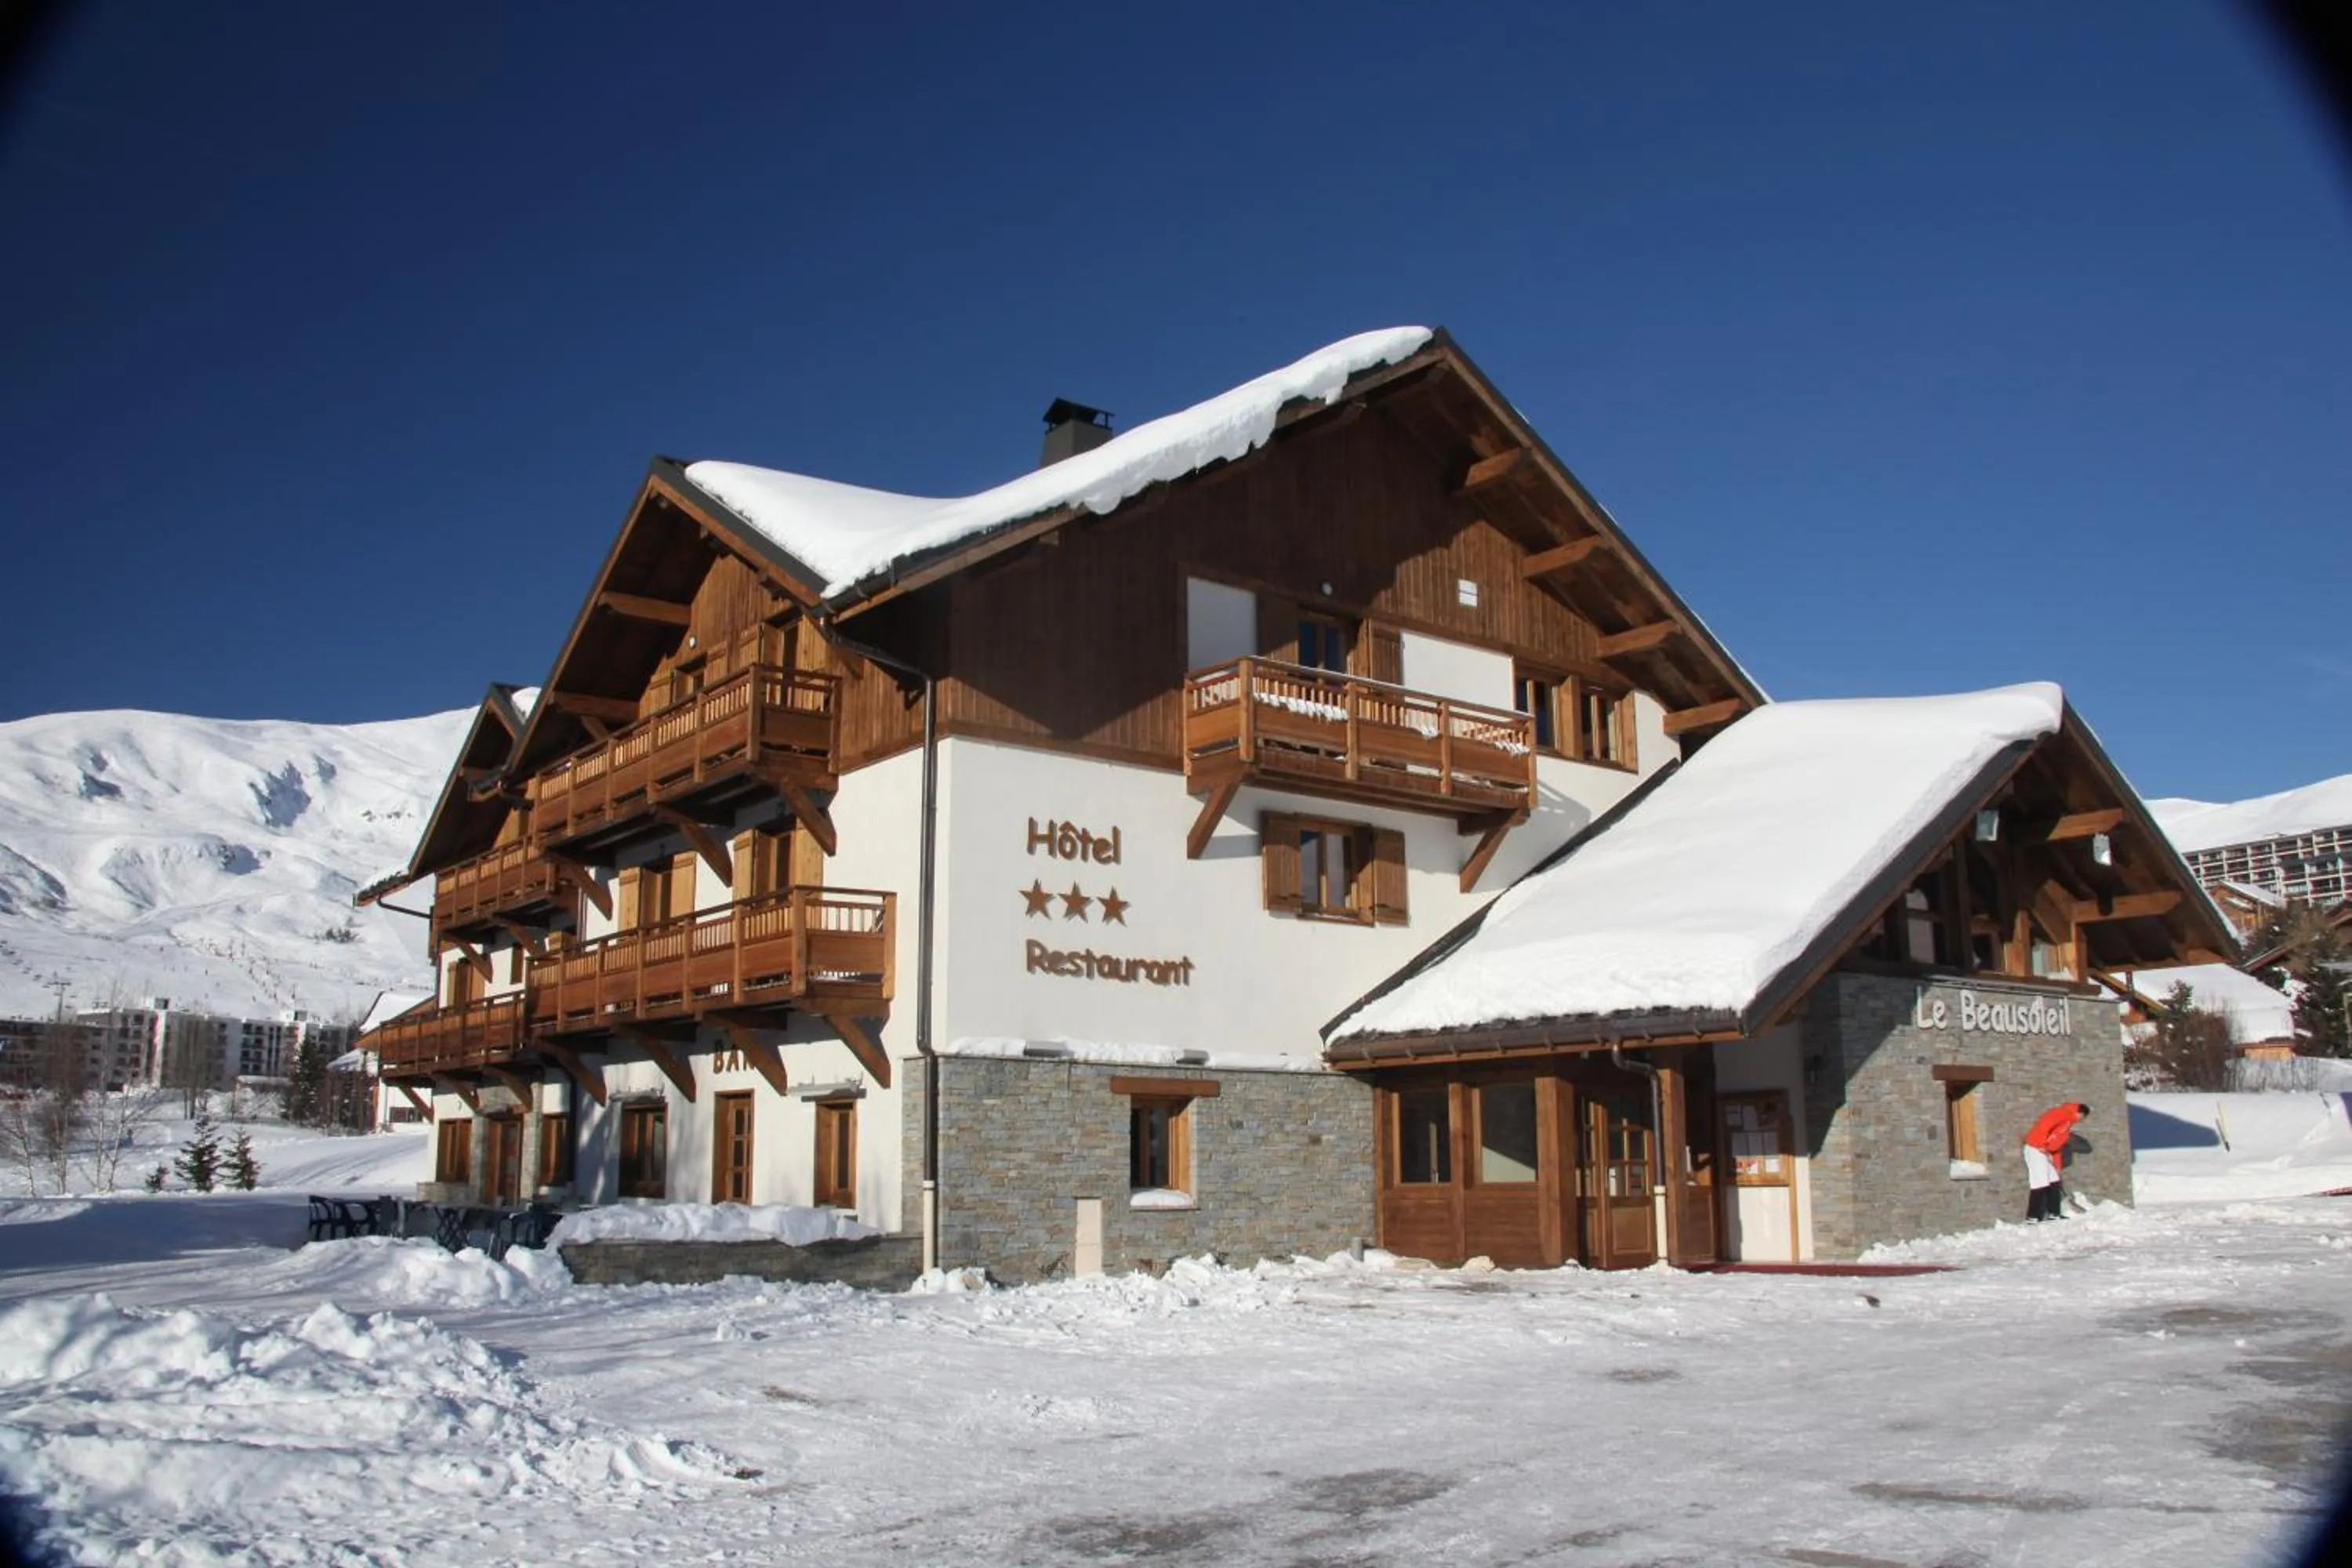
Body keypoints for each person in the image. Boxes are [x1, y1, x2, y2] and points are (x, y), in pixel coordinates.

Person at [2022, 1102, 2090, 1221]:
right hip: (2035, 1148)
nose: (2082, 1120)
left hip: (2045, 1152)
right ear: (2079, 1113)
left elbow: (2056, 1147)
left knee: (2054, 1180)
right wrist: (2041, 1144)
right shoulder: (2062, 1113)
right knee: (2040, 1182)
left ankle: (2054, 1214)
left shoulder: (2067, 1124)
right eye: (2083, 1117)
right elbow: (2044, 1125)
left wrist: (2057, 1165)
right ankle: (2032, 1217)